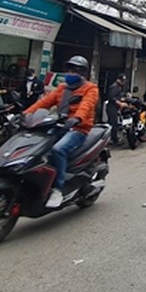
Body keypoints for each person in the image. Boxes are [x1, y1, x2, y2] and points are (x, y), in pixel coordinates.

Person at [22, 56, 99, 209]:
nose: (71, 73)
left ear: (83, 72)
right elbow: (43, 103)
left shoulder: (91, 88)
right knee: (37, 148)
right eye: (69, 69)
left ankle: (58, 188)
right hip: (59, 125)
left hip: (78, 129)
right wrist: (25, 114)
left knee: (58, 150)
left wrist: (77, 118)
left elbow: (86, 105)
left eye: (75, 70)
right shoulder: (62, 88)